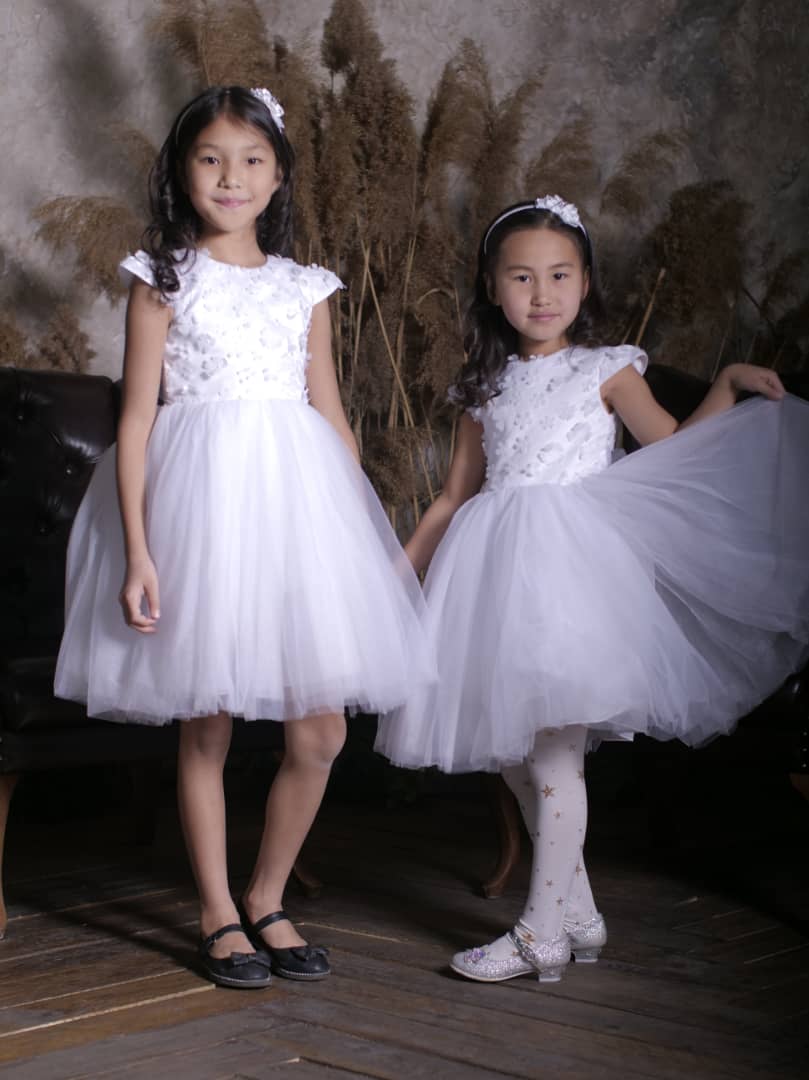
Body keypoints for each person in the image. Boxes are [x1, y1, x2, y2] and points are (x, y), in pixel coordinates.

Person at [374, 195, 809, 984]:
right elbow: (451, 497)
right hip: (493, 576)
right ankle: (576, 913)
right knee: (513, 757)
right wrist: (389, 582)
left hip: (572, 577)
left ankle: (539, 935)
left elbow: (670, 447)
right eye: (521, 277)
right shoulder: (484, 385)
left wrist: (725, 383)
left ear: (583, 282)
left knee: (551, 754)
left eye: (559, 275)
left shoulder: (604, 367)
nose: (541, 293)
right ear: (492, 287)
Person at [54, 85, 433, 989]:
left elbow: (331, 419)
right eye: (211, 158)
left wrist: (358, 541)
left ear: (279, 175)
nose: (232, 177)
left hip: (299, 515)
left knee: (322, 731)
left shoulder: (307, 288)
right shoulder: (163, 278)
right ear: (182, 173)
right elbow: (136, 420)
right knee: (208, 721)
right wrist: (139, 550)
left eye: (252, 160)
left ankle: (267, 894)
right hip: (200, 514)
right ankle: (217, 910)